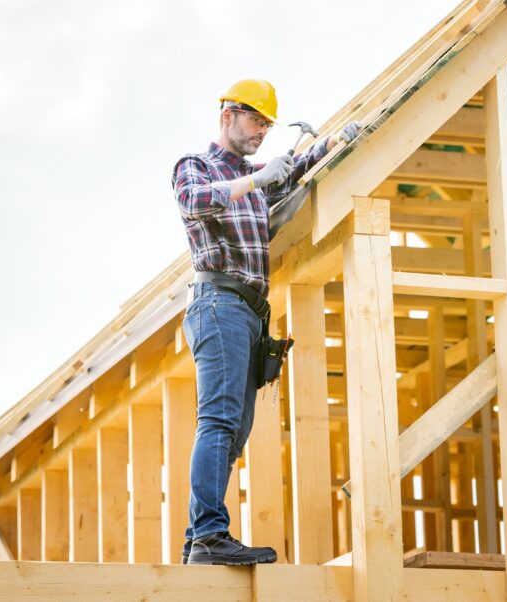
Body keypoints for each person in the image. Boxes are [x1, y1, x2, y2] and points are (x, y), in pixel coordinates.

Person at [172, 79, 359, 565]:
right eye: (255, 120)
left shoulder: (258, 176)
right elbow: (196, 201)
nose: (262, 131)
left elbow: (293, 167)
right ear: (227, 115)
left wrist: (333, 142)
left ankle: (199, 543)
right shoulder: (197, 167)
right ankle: (211, 534)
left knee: (232, 432)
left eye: (268, 125)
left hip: (249, 314)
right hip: (219, 302)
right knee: (217, 420)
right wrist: (256, 180)